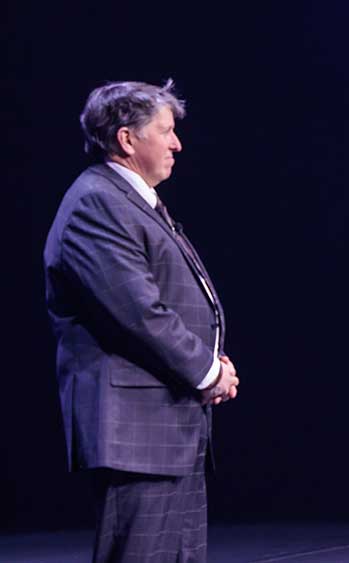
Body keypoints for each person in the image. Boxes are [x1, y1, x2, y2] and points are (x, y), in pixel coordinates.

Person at [43, 80, 239, 562]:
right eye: (166, 131)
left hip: (169, 421)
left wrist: (209, 366)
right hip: (137, 429)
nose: (177, 144)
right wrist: (208, 371)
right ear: (127, 139)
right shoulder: (97, 202)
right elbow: (138, 313)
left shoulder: (131, 199)